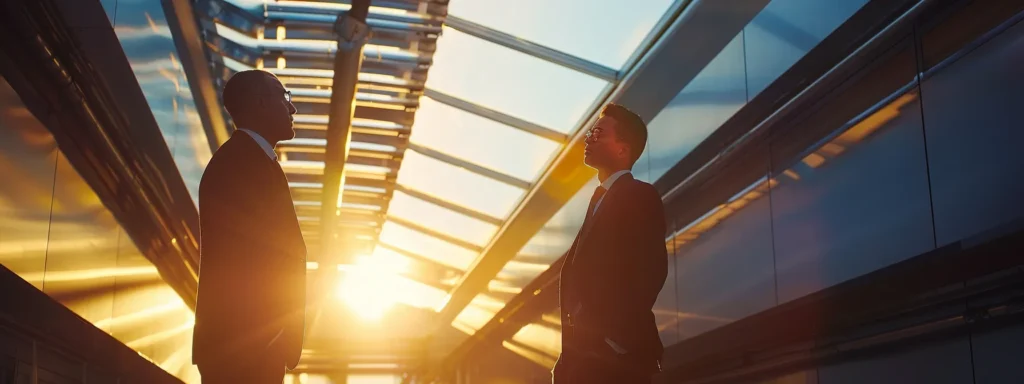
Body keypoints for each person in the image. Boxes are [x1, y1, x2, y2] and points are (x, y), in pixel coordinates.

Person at [192, 70, 306, 383]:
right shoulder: (239, 164)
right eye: (285, 97)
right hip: (244, 348)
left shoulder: (247, 161)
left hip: (249, 345)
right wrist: (271, 334)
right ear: (261, 103)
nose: (292, 108)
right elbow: (249, 258)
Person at [553, 104, 668, 384]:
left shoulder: (639, 195)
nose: (588, 139)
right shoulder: (599, 200)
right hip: (585, 360)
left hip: (616, 359)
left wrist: (610, 340)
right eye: (590, 132)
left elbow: (651, 271)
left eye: (598, 133)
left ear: (622, 149)